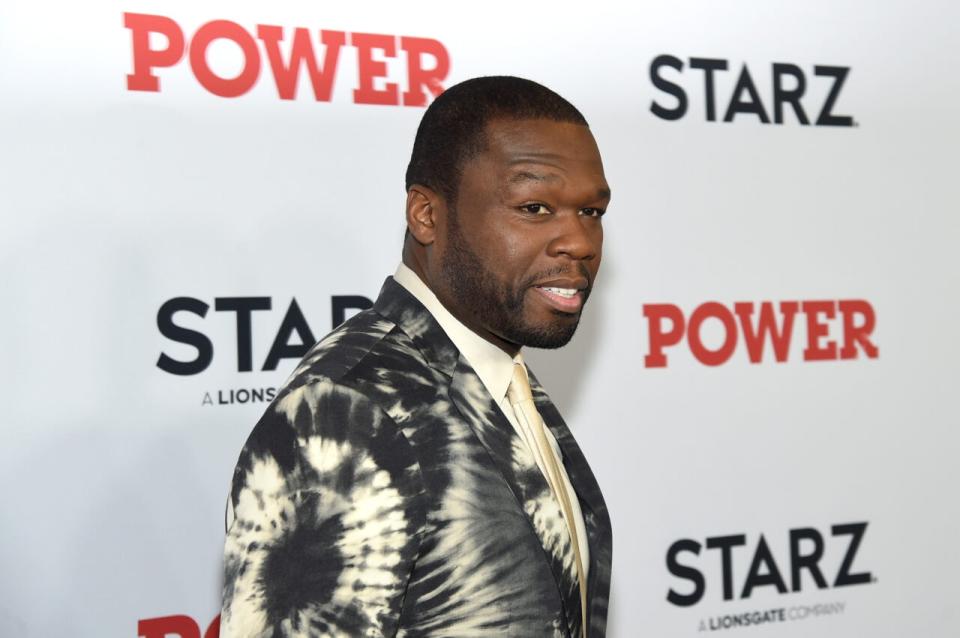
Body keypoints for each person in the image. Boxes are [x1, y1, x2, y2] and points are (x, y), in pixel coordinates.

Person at [221, 76, 612, 637]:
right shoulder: (348, 411)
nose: (579, 241)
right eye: (534, 206)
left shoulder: (495, 372)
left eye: (592, 212)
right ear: (426, 215)